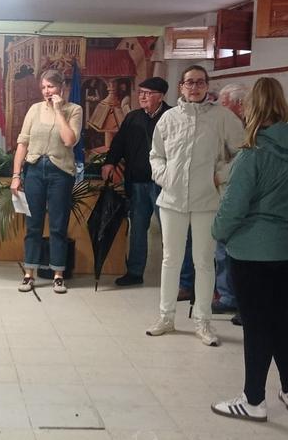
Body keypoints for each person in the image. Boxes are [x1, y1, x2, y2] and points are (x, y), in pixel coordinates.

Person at [210, 78, 288, 421]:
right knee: (280, 319)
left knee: (256, 325)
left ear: (251, 108)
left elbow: (234, 206)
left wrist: (218, 233)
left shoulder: (253, 154)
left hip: (253, 250)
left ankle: (253, 400)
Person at [146, 64, 244, 345]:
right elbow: (156, 155)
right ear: (181, 87)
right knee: (170, 260)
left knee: (204, 261)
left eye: (200, 82)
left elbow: (242, 153)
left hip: (207, 202)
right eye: (189, 82)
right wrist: (164, 176)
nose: (194, 87)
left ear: (207, 86)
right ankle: (166, 317)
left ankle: (203, 321)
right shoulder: (169, 119)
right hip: (172, 200)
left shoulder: (223, 117)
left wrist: (220, 176)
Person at [10, 68, 84, 293]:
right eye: (43, 87)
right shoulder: (34, 109)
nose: (47, 91)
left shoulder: (74, 109)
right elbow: (22, 143)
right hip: (34, 171)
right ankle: (29, 272)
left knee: (58, 225)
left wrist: (59, 111)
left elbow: (69, 140)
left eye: (51, 86)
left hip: (60, 172)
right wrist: (15, 175)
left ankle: (58, 273)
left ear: (62, 88)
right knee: (33, 225)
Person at [101, 76, 170, 286]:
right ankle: (135, 272)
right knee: (138, 229)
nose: (142, 97)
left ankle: (174, 276)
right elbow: (119, 143)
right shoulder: (133, 117)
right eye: (140, 93)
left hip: (164, 184)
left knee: (170, 231)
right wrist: (109, 162)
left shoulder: (171, 116)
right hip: (137, 182)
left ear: (161, 96)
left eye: (147, 94)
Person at [211, 83, 247, 316]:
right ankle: (226, 294)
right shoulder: (225, 121)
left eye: (224, 104)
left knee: (228, 248)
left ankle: (231, 297)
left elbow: (243, 156)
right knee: (220, 249)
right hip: (220, 194)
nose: (219, 108)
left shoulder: (241, 127)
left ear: (238, 104)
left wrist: (220, 175)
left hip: (232, 193)